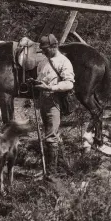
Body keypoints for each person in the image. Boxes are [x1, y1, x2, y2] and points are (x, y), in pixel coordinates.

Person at [33, 34, 75, 175]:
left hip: (54, 101)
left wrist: (51, 88)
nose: (44, 52)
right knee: (51, 134)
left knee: (51, 137)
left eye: (45, 49)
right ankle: (63, 168)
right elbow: (41, 79)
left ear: (54, 46)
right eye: (42, 50)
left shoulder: (64, 62)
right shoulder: (43, 62)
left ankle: (51, 174)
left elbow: (69, 83)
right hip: (43, 101)